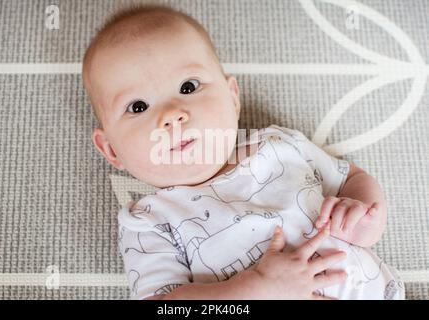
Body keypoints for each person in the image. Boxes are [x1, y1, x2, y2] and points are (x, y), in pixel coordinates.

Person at [82, 4, 404, 300]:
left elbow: (352, 177)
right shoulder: (151, 222)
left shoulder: (279, 146)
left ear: (233, 97)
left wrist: (363, 215)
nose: (172, 115)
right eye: (138, 107)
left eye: (188, 87)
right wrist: (257, 289)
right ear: (112, 150)